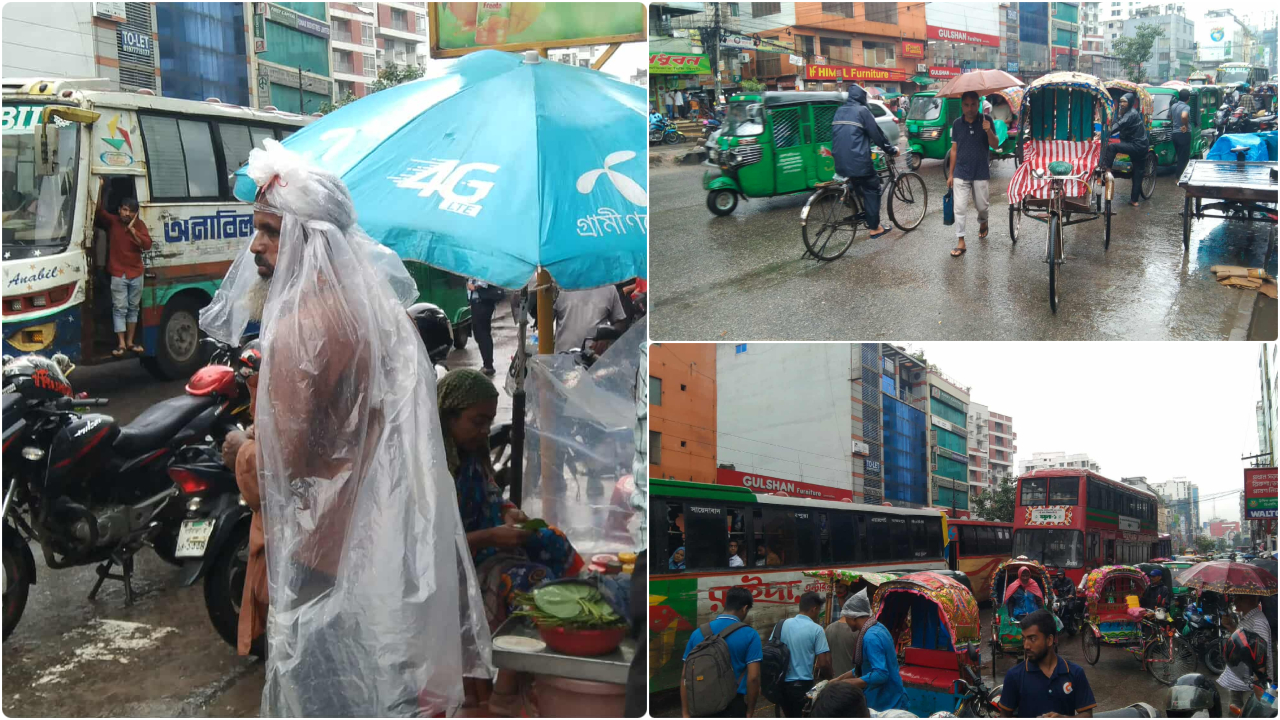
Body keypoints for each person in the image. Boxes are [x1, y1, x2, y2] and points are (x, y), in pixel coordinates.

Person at [197, 139, 490, 716]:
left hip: (321, 547)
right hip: (372, 537)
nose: (255, 246)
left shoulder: (303, 327)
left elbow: (284, 469)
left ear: (314, 240)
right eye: (256, 230)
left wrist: (239, 451)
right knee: (368, 682)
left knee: (328, 688)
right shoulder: (368, 311)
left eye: (272, 232)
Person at [437, 368, 584, 714]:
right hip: (453, 560)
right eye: (477, 421)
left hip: (489, 540)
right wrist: (491, 536)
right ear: (447, 417)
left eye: (489, 420)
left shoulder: (473, 455)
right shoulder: (431, 468)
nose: (485, 430)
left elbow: (492, 495)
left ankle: (563, 636)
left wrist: (509, 513)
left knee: (553, 541)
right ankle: (505, 686)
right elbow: (431, 543)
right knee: (532, 584)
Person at [997, 609, 1098, 718]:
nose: (1026, 645)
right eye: (1024, 639)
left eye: (1032, 638)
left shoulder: (1075, 673)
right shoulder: (1014, 676)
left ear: (1050, 640)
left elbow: (1087, 715)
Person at [680, 586, 763, 718]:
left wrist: (685, 713)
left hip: (701, 705)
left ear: (725, 604)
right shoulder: (750, 635)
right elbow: (753, 678)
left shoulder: (698, 633)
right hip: (733, 706)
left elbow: (685, 676)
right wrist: (749, 711)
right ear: (744, 608)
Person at [832, 85, 899, 240]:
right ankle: (875, 228)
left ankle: (848, 193)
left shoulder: (840, 110)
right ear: (862, 97)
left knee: (859, 180)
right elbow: (877, 135)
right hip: (858, 162)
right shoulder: (863, 111)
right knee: (873, 186)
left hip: (839, 160)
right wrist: (891, 150)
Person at [95, 181, 152, 357]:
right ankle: (121, 344)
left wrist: (133, 230)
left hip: (136, 273)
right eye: (123, 209)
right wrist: (100, 188)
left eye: (130, 211)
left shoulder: (139, 225)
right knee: (120, 308)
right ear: (119, 210)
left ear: (135, 214)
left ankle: (130, 342)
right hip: (119, 273)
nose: (125, 213)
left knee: (133, 308)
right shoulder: (113, 222)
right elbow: (98, 212)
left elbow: (147, 245)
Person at [830, 589, 909, 713]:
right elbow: (863, 667)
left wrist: (847, 684)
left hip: (887, 703)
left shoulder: (871, 637)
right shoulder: (877, 628)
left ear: (853, 617)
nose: (846, 622)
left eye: (847, 618)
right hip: (886, 698)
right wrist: (837, 680)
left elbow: (881, 674)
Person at [947, 91, 1000, 258]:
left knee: (982, 207)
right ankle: (961, 241)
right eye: (966, 105)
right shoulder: (956, 124)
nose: (970, 108)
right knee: (960, 208)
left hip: (981, 171)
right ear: (962, 106)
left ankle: (983, 222)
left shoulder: (987, 120)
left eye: (973, 105)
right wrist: (951, 174)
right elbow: (954, 150)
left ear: (979, 105)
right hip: (961, 172)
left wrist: (988, 131)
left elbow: (995, 144)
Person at [776, 592, 832, 717]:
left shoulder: (781, 624)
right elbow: (823, 663)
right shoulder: (816, 629)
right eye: (818, 610)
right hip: (802, 686)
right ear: (814, 609)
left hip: (781, 685)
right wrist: (831, 679)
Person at [1218, 595, 1274, 709]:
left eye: (1241, 597)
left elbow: (1260, 657)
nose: (1236, 600)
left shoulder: (1258, 622)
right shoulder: (1247, 617)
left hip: (1249, 689)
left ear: (1253, 599)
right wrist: (1230, 626)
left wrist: (1259, 688)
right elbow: (1243, 642)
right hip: (1239, 683)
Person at [1103, 93, 1149, 207]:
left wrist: (1106, 134)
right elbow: (1115, 123)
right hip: (1135, 144)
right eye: (1121, 101)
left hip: (1138, 146)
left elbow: (1119, 125)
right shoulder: (1124, 113)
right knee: (1137, 173)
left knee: (1112, 147)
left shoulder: (1131, 114)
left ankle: (1107, 169)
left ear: (1130, 103)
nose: (1122, 104)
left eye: (1125, 102)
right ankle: (1134, 200)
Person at [552, 285, 626, 353]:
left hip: (594, 359)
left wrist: (606, 338)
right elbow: (542, 324)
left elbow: (620, 322)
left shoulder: (609, 287)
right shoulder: (560, 287)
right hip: (563, 358)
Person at [466, 278, 502, 376]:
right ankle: (487, 363)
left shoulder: (481, 266)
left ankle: (488, 366)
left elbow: (483, 282)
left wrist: (472, 286)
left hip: (482, 303)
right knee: (480, 333)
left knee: (482, 333)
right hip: (477, 303)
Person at [824, 592, 860, 679]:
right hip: (854, 682)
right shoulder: (858, 631)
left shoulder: (829, 629)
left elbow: (827, 660)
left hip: (836, 681)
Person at [1168, 89, 1193, 179]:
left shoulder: (1173, 106)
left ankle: (1180, 176)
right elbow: (1184, 116)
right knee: (1184, 158)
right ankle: (1179, 178)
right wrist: (1185, 125)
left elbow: (1171, 117)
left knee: (1179, 156)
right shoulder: (1186, 107)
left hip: (1175, 134)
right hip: (1184, 134)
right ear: (1188, 98)